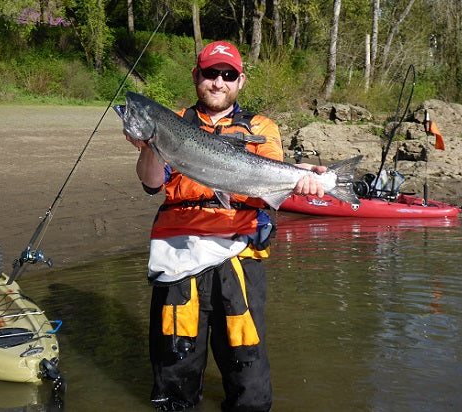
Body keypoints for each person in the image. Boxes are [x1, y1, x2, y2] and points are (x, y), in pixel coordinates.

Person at [125, 41, 326, 411]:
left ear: (240, 81)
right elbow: (151, 184)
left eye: (228, 75)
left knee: (246, 369)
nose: (218, 82)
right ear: (196, 76)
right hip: (177, 255)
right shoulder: (172, 120)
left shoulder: (262, 127)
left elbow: (272, 181)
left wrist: (305, 180)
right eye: (210, 73)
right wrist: (147, 147)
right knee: (175, 369)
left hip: (239, 254)